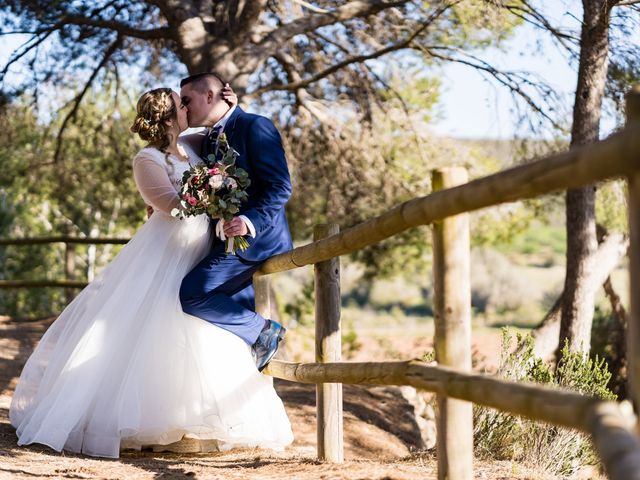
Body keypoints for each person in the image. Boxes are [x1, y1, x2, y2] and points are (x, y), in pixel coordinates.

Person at [9, 88, 293, 458]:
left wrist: (233, 107)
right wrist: (208, 199)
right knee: (157, 324)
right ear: (169, 117)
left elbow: (222, 129)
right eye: (181, 105)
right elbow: (170, 207)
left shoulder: (192, 145)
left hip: (199, 247)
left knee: (197, 325)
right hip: (169, 250)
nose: (187, 107)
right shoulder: (147, 159)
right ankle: (142, 419)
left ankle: (198, 418)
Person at [178, 73, 293, 372]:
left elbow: (280, 186)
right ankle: (243, 381)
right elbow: (174, 141)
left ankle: (265, 330)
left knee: (191, 293)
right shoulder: (208, 140)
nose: (183, 107)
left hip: (257, 238)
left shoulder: (255, 126)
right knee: (232, 327)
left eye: (186, 101)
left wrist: (248, 220)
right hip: (224, 241)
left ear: (210, 96)